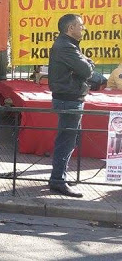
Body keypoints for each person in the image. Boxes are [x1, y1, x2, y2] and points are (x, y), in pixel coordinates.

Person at [48, 14, 93, 198]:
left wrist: (86, 65)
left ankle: (59, 177)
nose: (83, 29)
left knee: (70, 140)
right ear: (71, 28)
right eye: (81, 26)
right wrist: (88, 65)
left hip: (71, 97)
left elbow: (84, 68)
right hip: (69, 98)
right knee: (66, 141)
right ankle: (58, 180)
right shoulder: (65, 46)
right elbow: (87, 70)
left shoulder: (68, 45)